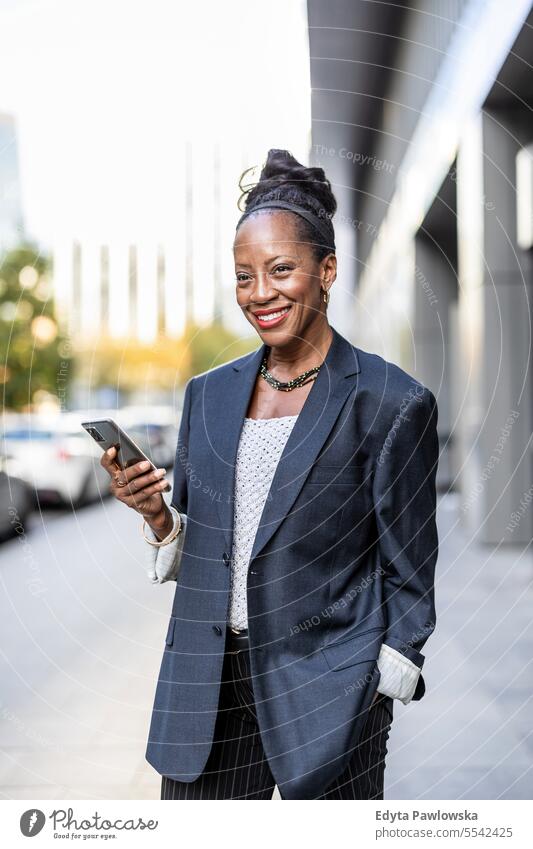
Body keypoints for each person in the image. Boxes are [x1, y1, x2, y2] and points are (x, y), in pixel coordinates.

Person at [102, 148, 439, 800]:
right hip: (209, 684)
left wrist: (380, 678)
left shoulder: (390, 401)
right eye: (243, 276)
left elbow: (409, 564)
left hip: (330, 685)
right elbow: (208, 542)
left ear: (326, 270)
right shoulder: (209, 394)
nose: (259, 293)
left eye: (280, 269)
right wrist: (153, 513)